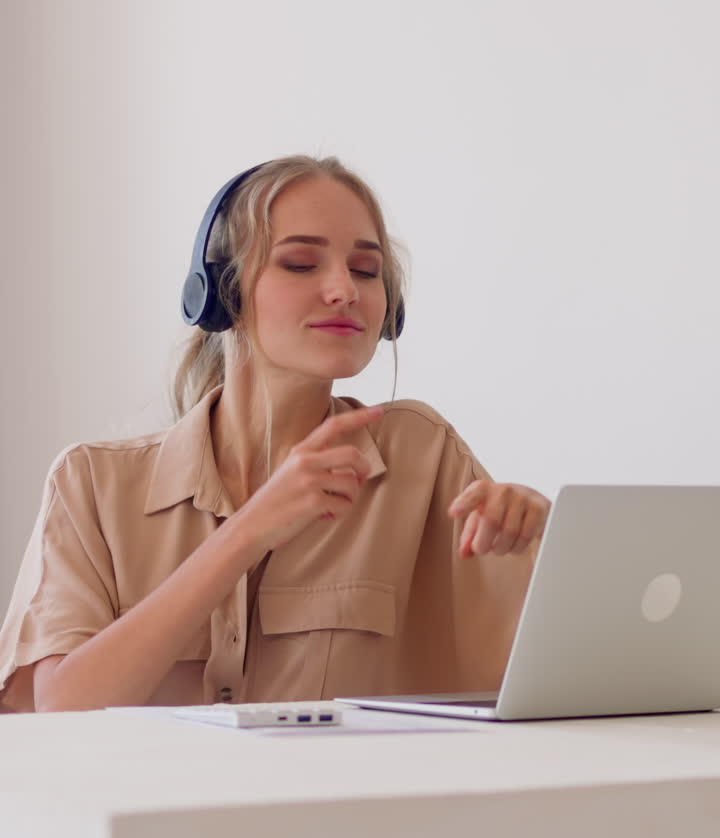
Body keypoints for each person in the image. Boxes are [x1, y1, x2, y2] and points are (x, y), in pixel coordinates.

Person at [0, 155, 550, 714]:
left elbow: (552, 678)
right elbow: (62, 710)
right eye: (300, 264)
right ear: (222, 292)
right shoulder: (92, 483)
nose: (344, 290)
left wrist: (536, 542)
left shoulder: (423, 456)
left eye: (365, 271)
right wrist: (251, 528)